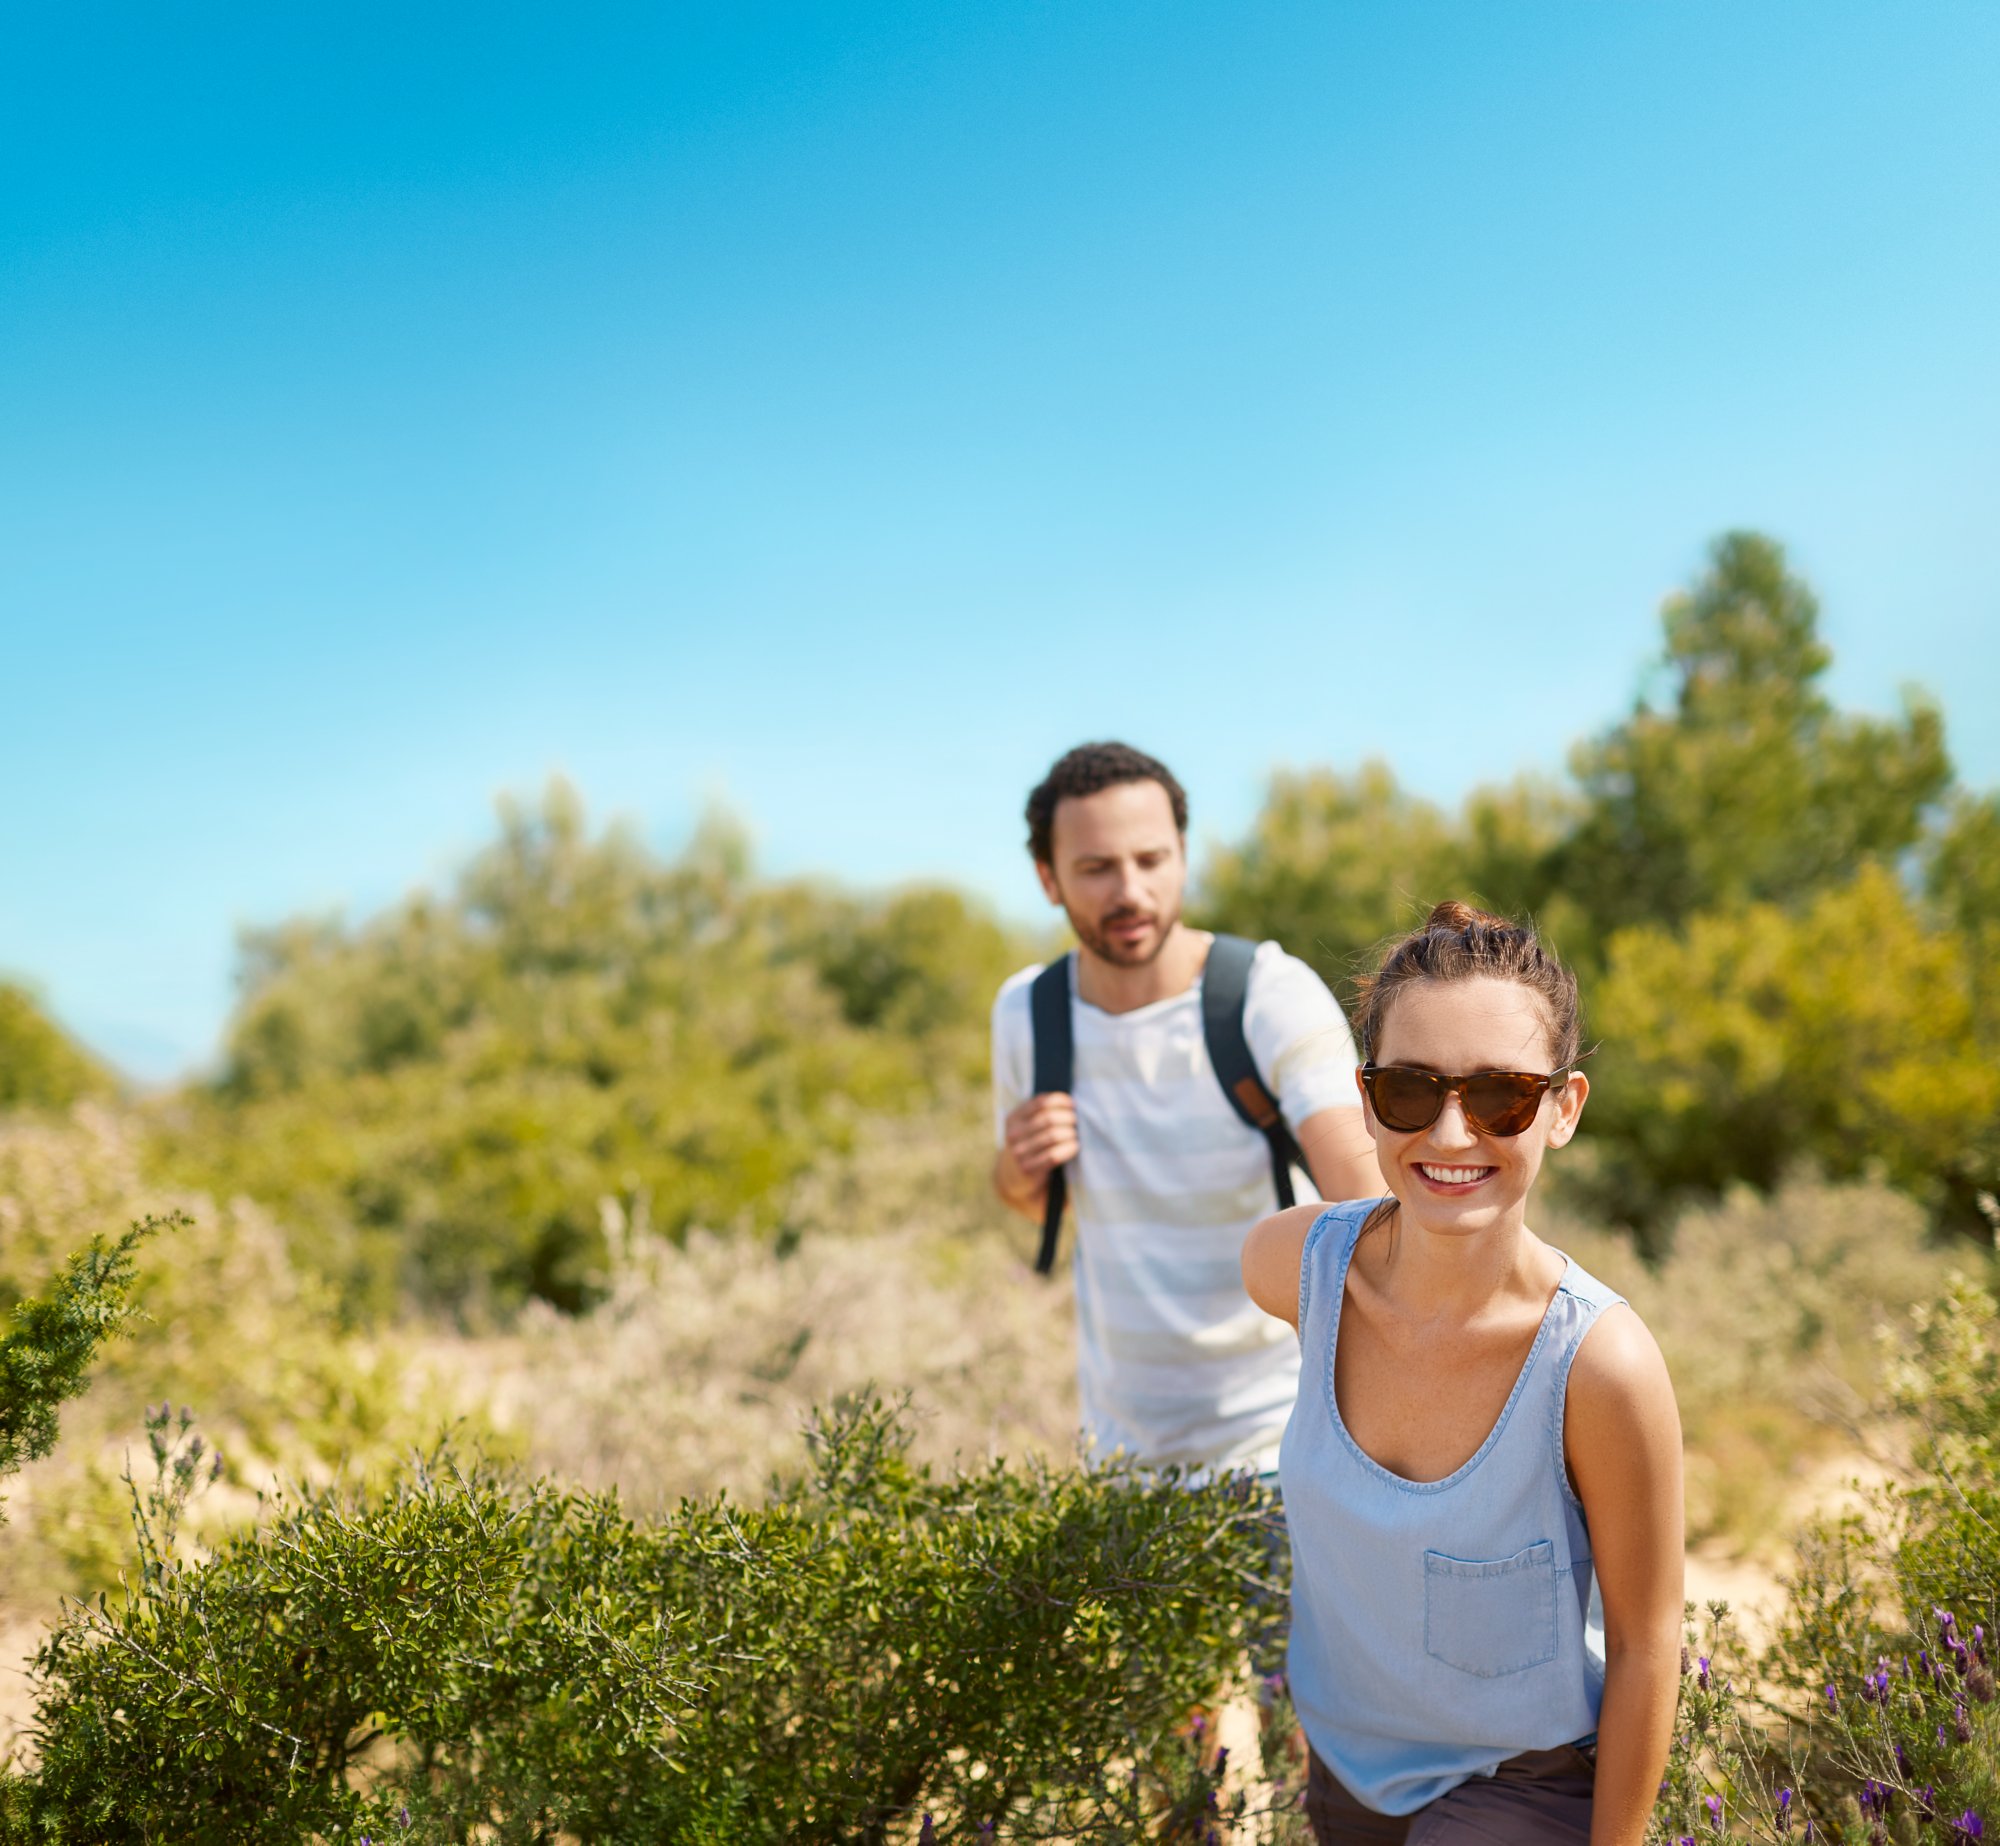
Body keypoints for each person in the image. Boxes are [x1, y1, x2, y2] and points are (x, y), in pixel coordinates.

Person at [1241, 901, 1683, 1846]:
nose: (1449, 1133)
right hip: (1344, 1776)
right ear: (1366, 1100)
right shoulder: (1289, 1269)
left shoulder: (1599, 1366)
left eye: (1500, 1097)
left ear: (1562, 1110)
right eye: (1410, 1090)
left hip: (1516, 1788)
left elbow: (1650, 1647)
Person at [992, 741, 1383, 1478]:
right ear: (1048, 879)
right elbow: (1023, 1199)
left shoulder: (1267, 993)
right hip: (1118, 1458)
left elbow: (1367, 1190)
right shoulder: (1026, 1012)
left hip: (1286, 1444)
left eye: (1151, 859)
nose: (1130, 891)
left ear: (1183, 856)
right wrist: (1017, 1165)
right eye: (1096, 868)